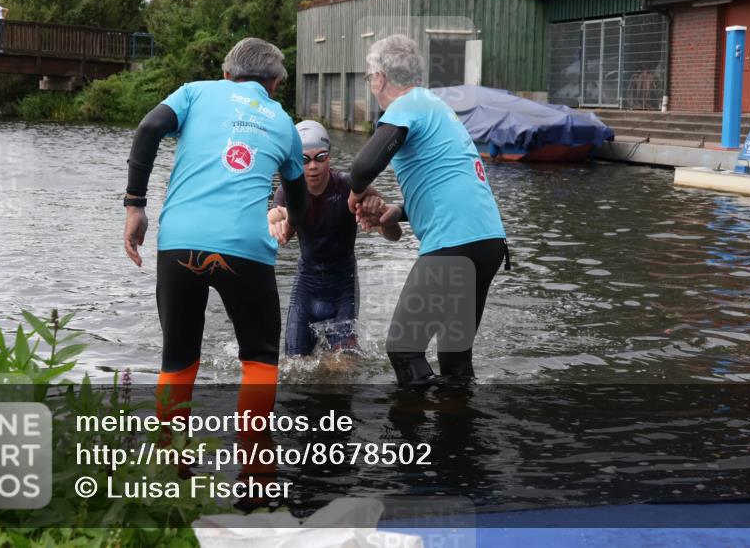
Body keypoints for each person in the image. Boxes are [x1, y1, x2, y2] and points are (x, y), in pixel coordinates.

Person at [122, 37, 307, 429]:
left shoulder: (194, 92)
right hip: (246, 250)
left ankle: (171, 465)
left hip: (179, 244)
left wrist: (135, 204)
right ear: (274, 84)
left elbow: (149, 126)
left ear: (226, 74)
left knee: (178, 358)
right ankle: (255, 466)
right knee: (259, 358)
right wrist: (291, 221)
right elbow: (298, 197)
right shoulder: (284, 124)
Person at [347, 34, 509, 384]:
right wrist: (400, 212)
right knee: (454, 358)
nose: (370, 85)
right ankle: (460, 434)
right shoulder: (435, 107)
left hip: (454, 245)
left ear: (380, 77)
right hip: (487, 243)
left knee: (403, 349)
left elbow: (362, 168)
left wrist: (356, 191)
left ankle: (411, 434)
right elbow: (451, 181)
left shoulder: (405, 106)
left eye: (368, 77)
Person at [267, 120, 401, 357]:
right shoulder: (287, 192)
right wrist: (276, 223)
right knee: (293, 365)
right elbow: (278, 227)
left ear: (330, 157)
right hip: (306, 286)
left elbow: (394, 236)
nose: (313, 167)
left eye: (320, 157)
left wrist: (379, 213)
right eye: (304, 160)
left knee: (341, 371)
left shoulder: (351, 186)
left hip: (343, 288)